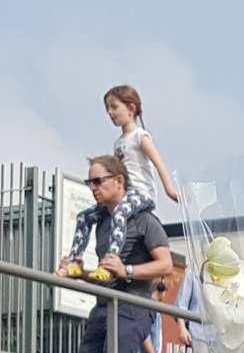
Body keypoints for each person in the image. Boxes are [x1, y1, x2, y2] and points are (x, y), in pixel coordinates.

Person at [73, 155, 172, 353]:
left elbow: (165, 265)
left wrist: (126, 270)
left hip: (132, 304)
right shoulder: (101, 223)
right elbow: (108, 273)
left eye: (98, 181)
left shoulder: (144, 219)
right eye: (89, 182)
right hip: (105, 305)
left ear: (119, 181)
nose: (93, 188)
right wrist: (82, 274)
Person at [60, 84, 180, 277]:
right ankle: (74, 260)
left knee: (119, 213)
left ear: (131, 108)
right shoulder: (118, 143)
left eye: (114, 107)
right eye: (108, 108)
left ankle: (110, 264)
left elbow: (159, 163)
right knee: (84, 216)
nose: (110, 113)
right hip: (126, 195)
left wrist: (170, 191)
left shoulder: (140, 137)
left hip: (141, 194)